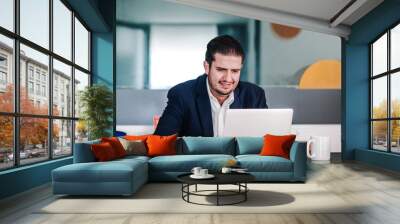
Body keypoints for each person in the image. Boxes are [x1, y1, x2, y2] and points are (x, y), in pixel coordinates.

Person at [154, 35, 267, 137]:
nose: (228, 78)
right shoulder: (182, 95)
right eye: (221, 70)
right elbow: (160, 143)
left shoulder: (254, 96)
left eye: (235, 71)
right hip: (198, 160)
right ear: (206, 67)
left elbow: (266, 141)